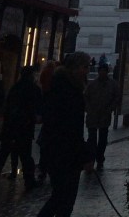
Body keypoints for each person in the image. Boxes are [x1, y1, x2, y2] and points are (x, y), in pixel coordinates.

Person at [35, 52, 93, 217]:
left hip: (59, 151)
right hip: (64, 153)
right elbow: (71, 127)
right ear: (75, 68)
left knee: (61, 197)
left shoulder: (61, 85)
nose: (87, 71)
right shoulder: (69, 90)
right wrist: (84, 155)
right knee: (63, 198)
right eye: (85, 67)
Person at [0, 65, 42, 196]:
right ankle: (29, 181)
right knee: (25, 156)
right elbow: (37, 108)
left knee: (2, 156)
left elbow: (8, 107)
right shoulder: (33, 89)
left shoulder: (15, 87)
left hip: (10, 128)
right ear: (32, 75)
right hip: (24, 128)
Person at [84, 62, 118, 170]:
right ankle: (91, 159)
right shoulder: (92, 84)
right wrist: (88, 109)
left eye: (104, 71)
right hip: (93, 115)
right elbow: (86, 97)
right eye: (101, 71)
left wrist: (110, 109)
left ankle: (100, 158)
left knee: (103, 139)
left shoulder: (113, 84)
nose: (102, 73)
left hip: (104, 115)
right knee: (92, 139)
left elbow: (116, 98)